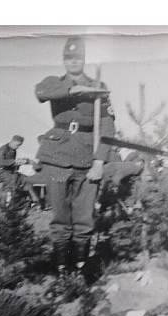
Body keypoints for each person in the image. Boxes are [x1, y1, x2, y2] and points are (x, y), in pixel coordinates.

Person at [34, 36, 116, 273]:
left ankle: (81, 270)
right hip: (57, 156)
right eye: (68, 58)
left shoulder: (99, 87)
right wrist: (75, 89)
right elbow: (41, 91)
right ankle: (61, 269)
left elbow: (108, 127)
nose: (72, 62)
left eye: (77, 57)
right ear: (63, 60)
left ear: (84, 59)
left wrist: (99, 161)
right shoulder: (54, 83)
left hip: (87, 158)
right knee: (60, 217)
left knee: (84, 217)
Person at [0, 135, 39, 205]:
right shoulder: (3, 149)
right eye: (17, 145)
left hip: (10, 172)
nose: (18, 147)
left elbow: (13, 164)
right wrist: (15, 162)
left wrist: (22, 162)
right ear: (12, 141)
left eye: (19, 145)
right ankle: (8, 203)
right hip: (0, 172)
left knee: (25, 178)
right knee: (14, 180)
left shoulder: (13, 150)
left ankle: (34, 201)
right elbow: (1, 162)